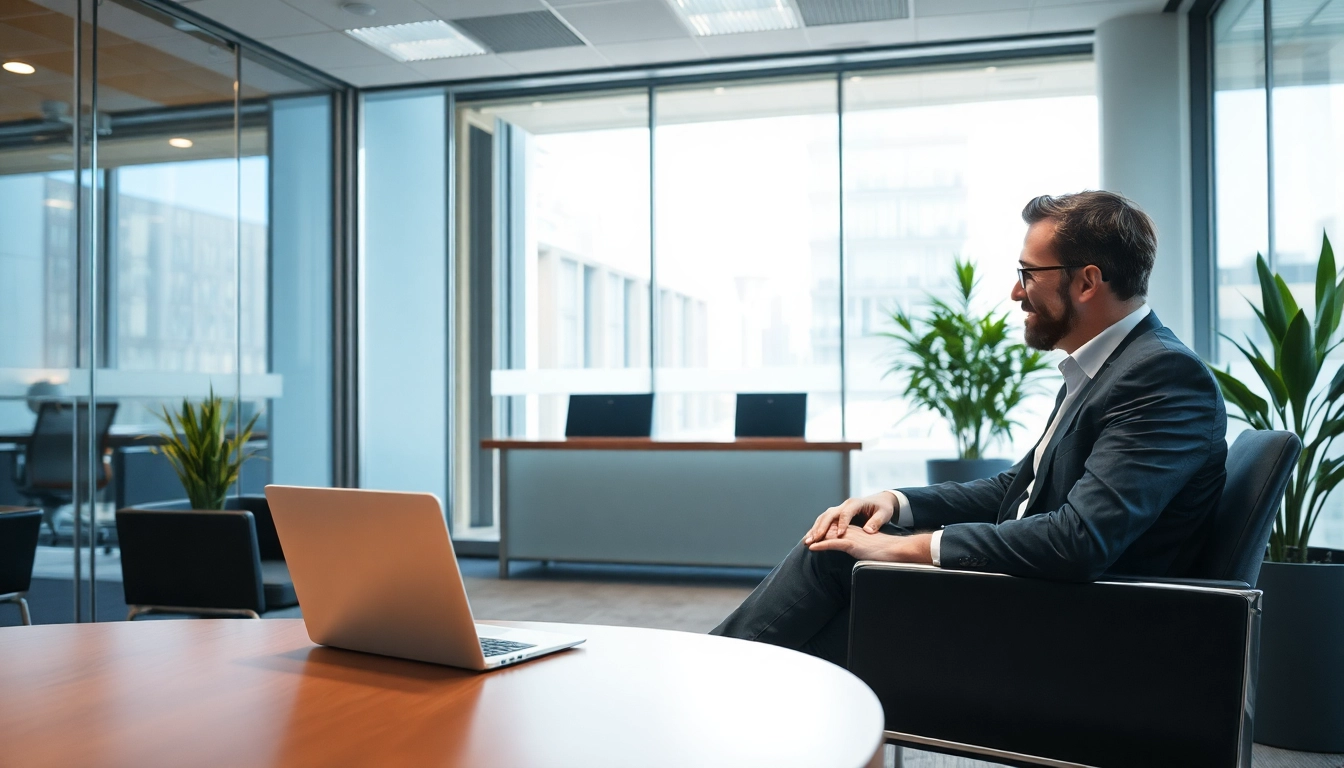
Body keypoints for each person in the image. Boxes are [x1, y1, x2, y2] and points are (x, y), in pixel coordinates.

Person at [710, 191, 1228, 667]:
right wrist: (897, 502)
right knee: (824, 583)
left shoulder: (1161, 376)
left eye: (1028, 273)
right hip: (1035, 598)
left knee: (826, 578)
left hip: (1078, 630)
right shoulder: (1105, 369)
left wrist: (909, 546)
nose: (1014, 292)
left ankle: (699, 675)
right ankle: (712, 680)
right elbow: (1016, 491)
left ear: (1088, 282)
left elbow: (1080, 539)